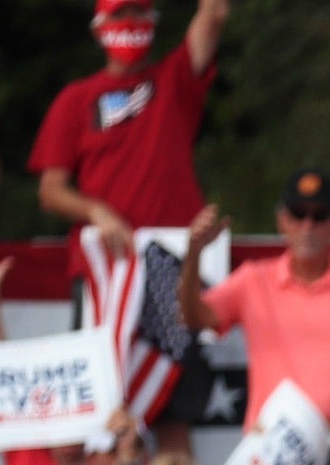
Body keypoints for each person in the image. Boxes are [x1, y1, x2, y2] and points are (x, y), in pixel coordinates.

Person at [179, 169, 330, 434]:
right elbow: (194, 318)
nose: (307, 226)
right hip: (268, 451)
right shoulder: (253, 280)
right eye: (298, 214)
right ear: (282, 220)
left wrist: (325, 436)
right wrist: (193, 254)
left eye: (319, 216)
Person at [29, 0, 227, 278]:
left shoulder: (175, 78)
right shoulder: (75, 99)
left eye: (139, 12)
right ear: (99, 28)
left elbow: (214, 13)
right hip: (106, 265)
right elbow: (50, 192)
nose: (130, 20)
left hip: (178, 256)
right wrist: (97, 212)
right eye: (119, 14)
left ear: (153, 20)